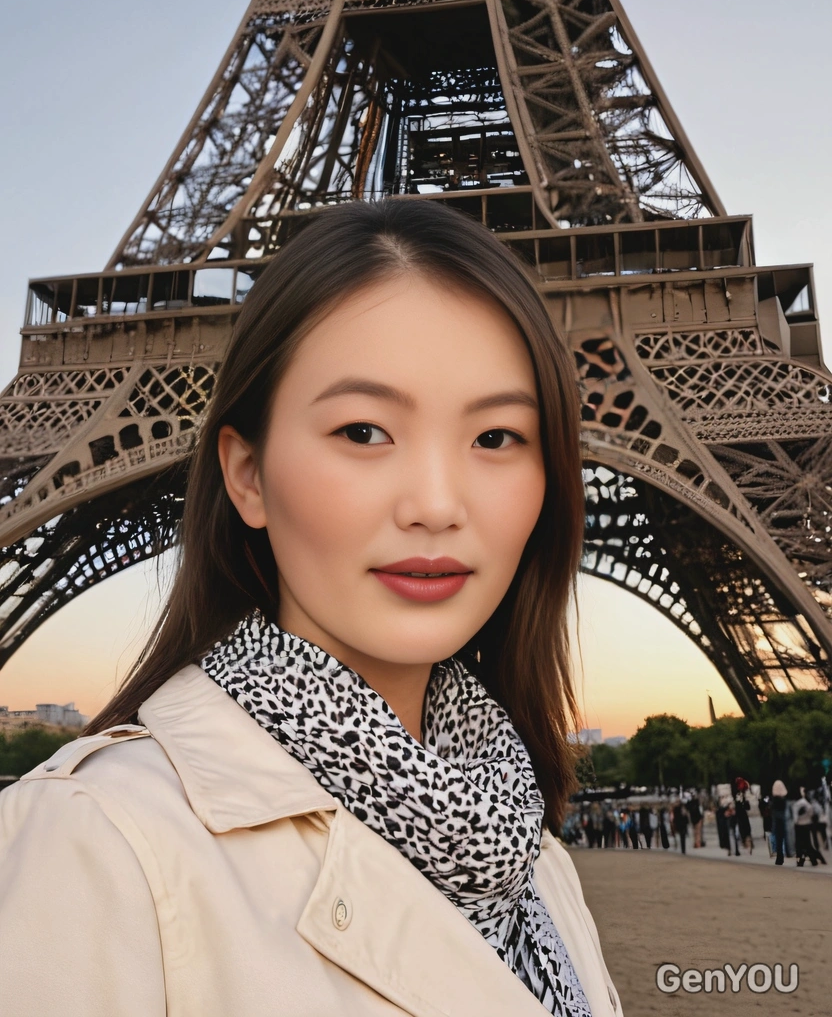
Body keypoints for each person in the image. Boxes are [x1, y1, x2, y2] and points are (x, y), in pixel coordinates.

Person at [0, 199, 622, 1016]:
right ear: (248, 476)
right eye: (364, 431)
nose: (436, 505)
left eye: (497, 437)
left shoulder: (534, 859)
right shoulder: (94, 842)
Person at [793, 790, 826, 867]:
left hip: (799, 826)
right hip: (807, 825)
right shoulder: (805, 802)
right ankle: (814, 859)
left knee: (799, 846)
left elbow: (795, 818)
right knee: (808, 844)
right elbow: (811, 812)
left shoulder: (796, 804)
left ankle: (800, 861)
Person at [771, 780, 789, 865]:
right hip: (785, 820)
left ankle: (779, 857)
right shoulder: (785, 799)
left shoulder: (774, 800)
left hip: (777, 821)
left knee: (778, 840)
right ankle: (788, 852)